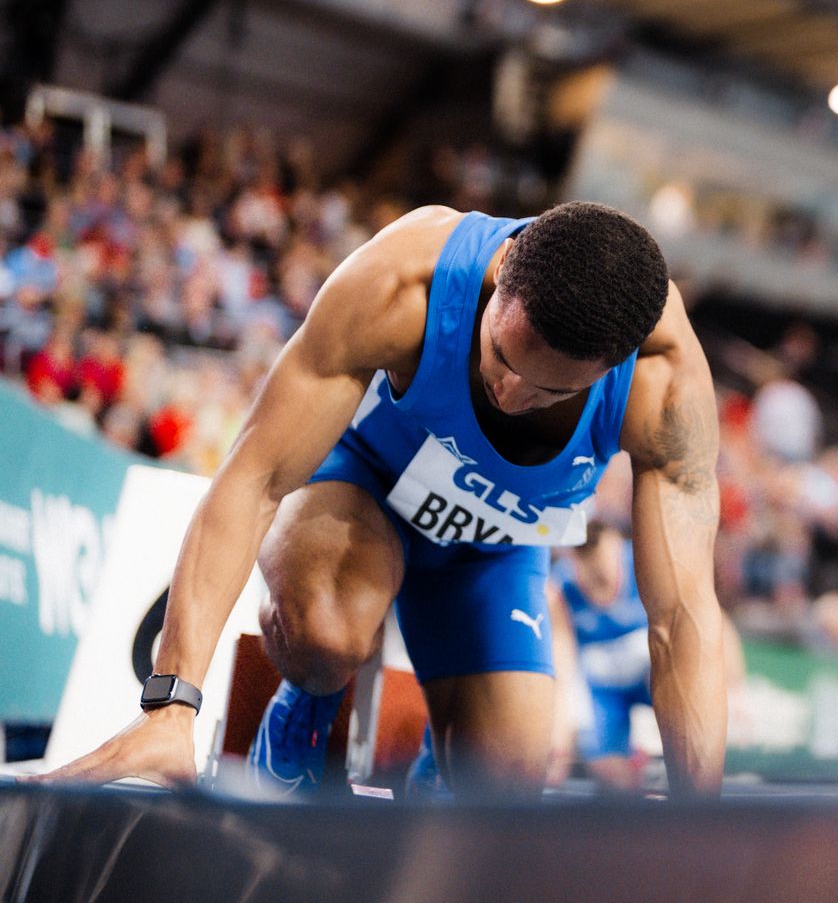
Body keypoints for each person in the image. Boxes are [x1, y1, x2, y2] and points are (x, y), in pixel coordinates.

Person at [40, 203, 727, 797]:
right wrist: (170, 706)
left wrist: (703, 820)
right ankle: (307, 704)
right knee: (326, 631)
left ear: (617, 365)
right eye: (502, 355)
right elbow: (252, 479)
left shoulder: (663, 384)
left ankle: (440, 757)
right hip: (362, 487)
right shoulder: (405, 282)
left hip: (492, 547)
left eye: (550, 391)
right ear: (501, 275)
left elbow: (682, 615)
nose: (511, 394)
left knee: (506, 784)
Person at [551, 521, 659, 791]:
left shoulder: (647, 561)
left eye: (599, 546)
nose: (598, 564)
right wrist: (562, 734)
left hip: (651, 674)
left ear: (615, 542)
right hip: (602, 689)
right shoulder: (561, 586)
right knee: (612, 775)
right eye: (584, 551)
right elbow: (563, 660)